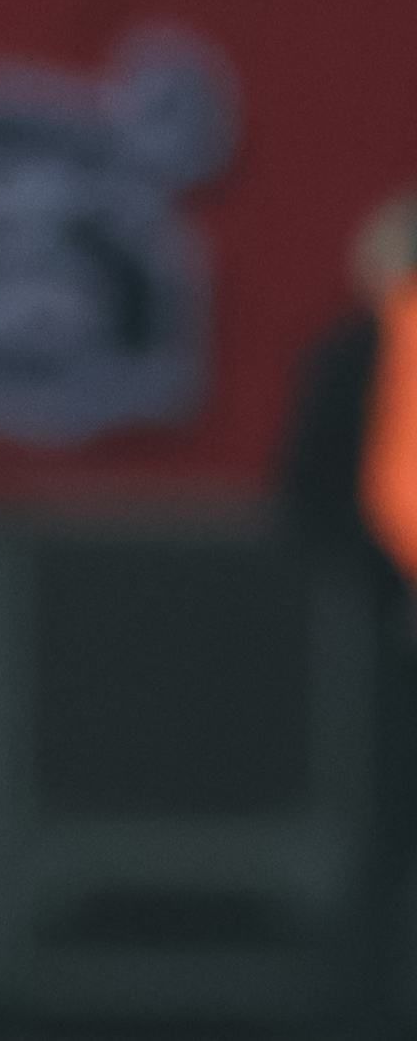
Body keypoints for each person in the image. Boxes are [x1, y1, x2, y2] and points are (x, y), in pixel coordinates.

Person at [277, 189, 417, 1041]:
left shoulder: (360, 349)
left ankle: (362, 1004)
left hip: (385, 625)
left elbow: (307, 496)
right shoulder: (367, 353)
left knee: (379, 834)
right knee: (381, 831)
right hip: (387, 632)